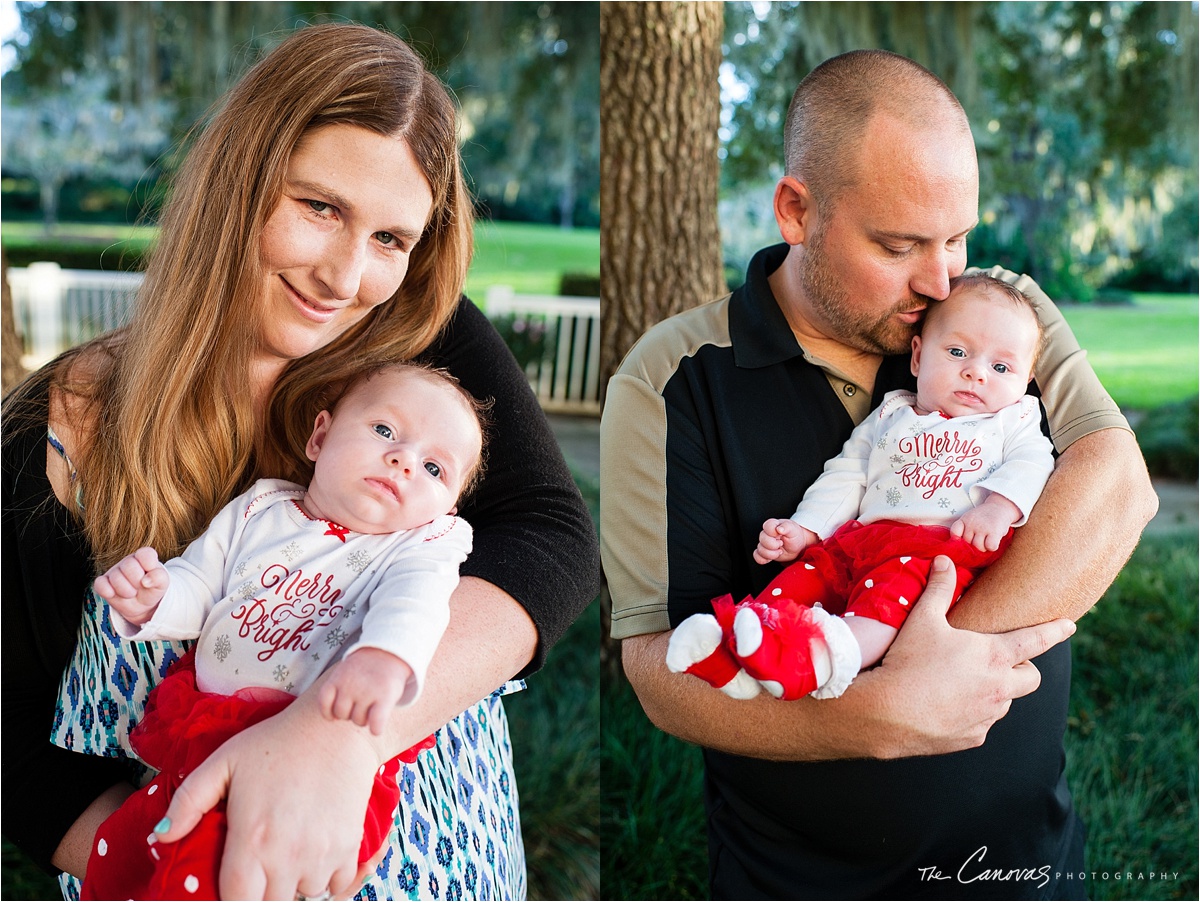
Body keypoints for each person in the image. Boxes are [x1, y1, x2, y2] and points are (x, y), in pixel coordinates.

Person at [2, 23, 599, 902]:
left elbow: (553, 537)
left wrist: (340, 733)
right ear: (235, 185)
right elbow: (13, 739)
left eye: (392, 240)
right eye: (319, 208)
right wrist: (170, 858)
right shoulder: (57, 432)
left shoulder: (414, 351)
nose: (346, 277)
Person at [601, 49, 1157, 899]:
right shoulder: (670, 376)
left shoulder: (996, 312)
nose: (941, 279)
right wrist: (875, 710)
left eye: (958, 236)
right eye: (899, 245)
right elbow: (656, 672)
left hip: (1024, 865)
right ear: (796, 210)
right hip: (796, 879)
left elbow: (1118, 487)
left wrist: (944, 656)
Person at [80, 362, 484, 900]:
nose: (403, 461)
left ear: (447, 506)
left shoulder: (420, 545)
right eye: (385, 431)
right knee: (135, 848)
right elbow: (201, 585)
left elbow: (418, 602)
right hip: (208, 730)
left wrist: (383, 658)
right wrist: (154, 597)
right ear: (320, 436)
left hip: (312, 756)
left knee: (221, 871)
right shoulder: (259, 509)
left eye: (435, 468)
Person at [667, 275, 1055, 702]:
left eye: (1001, 368)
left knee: (886, 598)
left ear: (1025, 379)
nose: (975, 373)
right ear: (918, 357)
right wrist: (806, 528)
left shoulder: (1013, 421)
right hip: (862, 540)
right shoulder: (892, 413)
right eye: (958, 352)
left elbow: (1033, 464)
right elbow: (846, 475)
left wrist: (998, 508)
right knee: (804, 578)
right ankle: (739, 648)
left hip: (936, 550)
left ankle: (822, 660)